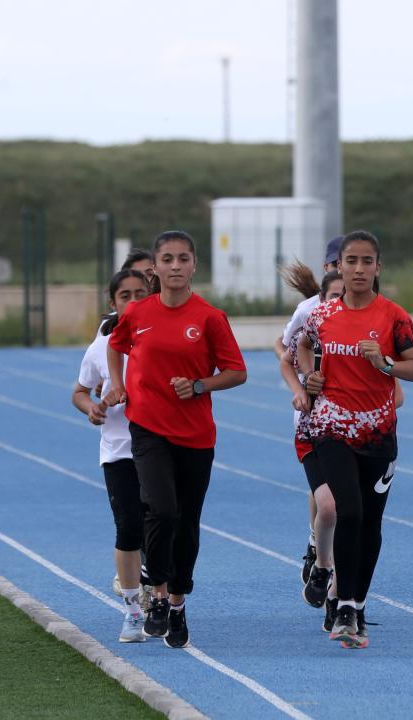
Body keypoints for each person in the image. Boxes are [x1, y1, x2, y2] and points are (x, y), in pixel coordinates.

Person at [105, 230, 247, 649]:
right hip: (148, 426)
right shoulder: (138, 313)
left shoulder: (209, 317)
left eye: (183, 259)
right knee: (161, 510)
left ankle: (178, 601)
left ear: (194, 266)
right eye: (167, 259)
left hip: (195, 434)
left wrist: (201, 386)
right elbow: (116, 345)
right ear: (156, 267)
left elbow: (237, 371)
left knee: (186, 521)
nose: (175, 266)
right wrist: (118, 385)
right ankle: (158, 593)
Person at [284, 230, 413, 649]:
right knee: (348, 510)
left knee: (370, 523)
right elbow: (298, 348)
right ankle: (343, 605)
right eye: (352, 262)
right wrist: (310, 377)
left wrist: (384, 363)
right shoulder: (322, 315)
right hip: (330, 428)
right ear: (338, 268)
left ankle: (358, 603)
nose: (359, 269)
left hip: (378, 434)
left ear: (378, 268)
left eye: (367, 261)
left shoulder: (394, 317)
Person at [71, 269, 152, 642]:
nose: (133, 302)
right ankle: (134, 610)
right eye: (125, 296)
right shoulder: (100, 346)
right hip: (119, 450)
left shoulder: (161, 339)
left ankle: (164, 599)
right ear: (113, 303)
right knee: (129, 527)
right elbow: (80, 391)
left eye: (140, 294)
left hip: (161, 445)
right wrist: (92, 408)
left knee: (163, 524)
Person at [272, 236, 342, 586]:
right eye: (338, 264)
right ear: (329, 268)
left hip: (358, 424)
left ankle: (342, 594)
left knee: (343, 505)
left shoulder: (374, 315)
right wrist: (302, 386)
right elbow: (284, 349)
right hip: (313, 420)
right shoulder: (310, 312)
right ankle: (318, 548)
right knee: (325, 497)